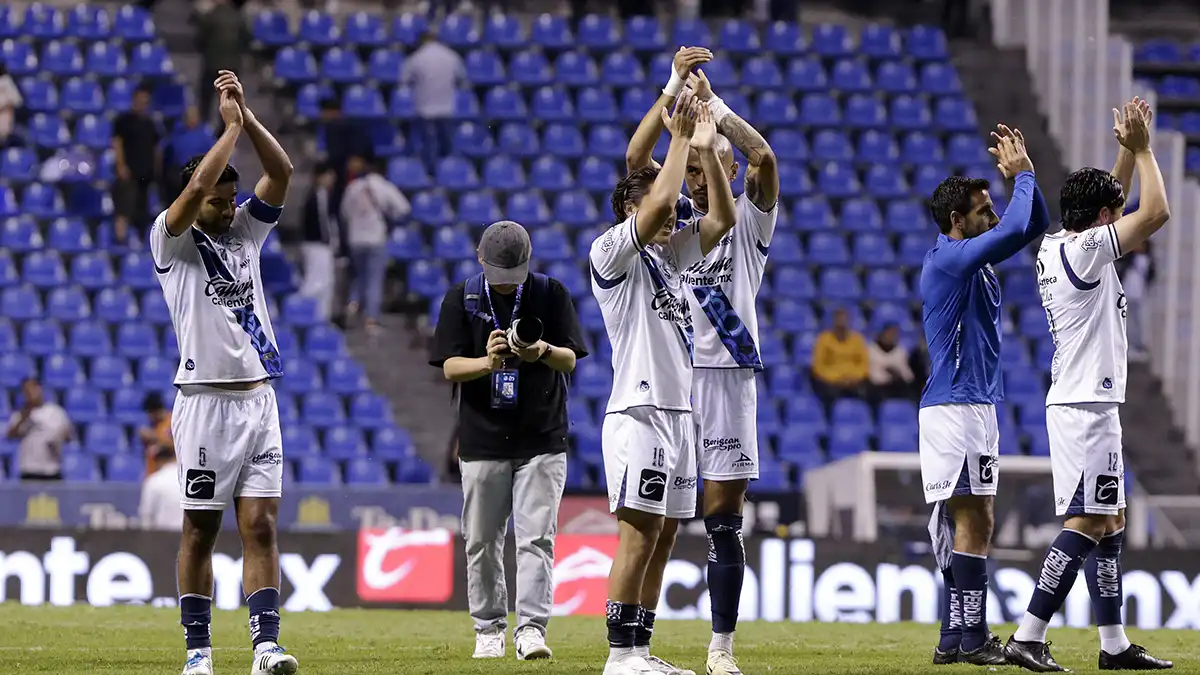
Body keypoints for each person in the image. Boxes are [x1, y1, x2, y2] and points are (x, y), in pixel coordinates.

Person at [1004, 98, 1173, 672]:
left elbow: (1117, 203)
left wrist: (1124, 154)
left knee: (1111, 521)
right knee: (1088, 522)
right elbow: (1154, 214)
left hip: (1085, 400)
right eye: (1110, 211)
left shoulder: (1059, 243)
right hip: (1086, 405)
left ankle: (1114, 645)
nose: (1117, 215)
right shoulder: (1087, 248)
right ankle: (1028, 634)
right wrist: (1145, 151)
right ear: (1102, 219)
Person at [625, 51, 779, 675]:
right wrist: (674, 100)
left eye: (704, 163)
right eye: (686, 165)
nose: (691, 173)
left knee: (722, 521)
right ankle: (639, 645)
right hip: (673, 376)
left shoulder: (747, 224)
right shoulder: (672, 228)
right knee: (660, 522)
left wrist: (716, 114)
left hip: (729, 376)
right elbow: (636, 165)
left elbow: (764, 158)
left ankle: (721, 649)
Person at [148, 70, 296, 675]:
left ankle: (264, 648)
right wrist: (227, 129)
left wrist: (249, 118)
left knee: (259, 527)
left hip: (258, 401)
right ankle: (199, 653)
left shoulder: (245, 233)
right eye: (219, 199)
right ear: (192, 199)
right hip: (204, 402)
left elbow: (282, 173)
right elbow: (200, 183)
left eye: (234, 199)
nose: (230, 206)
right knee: (202, 530)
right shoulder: (171, 240)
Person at [591, 93, 735, 675]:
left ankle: (640, 650)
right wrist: (677, 139)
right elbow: (653, 206)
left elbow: (722, 220)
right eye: (662, 207)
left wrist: (710, 156)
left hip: (678, 413)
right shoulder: (610, 252)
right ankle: (619, 656)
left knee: (667, 532)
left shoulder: (672, 257)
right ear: (630, 210)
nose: (673, 216)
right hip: (639, 410)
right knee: (640, 530)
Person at [428, 220, 589, 661]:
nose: (504, 285)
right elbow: (447, 367)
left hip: (542, 434)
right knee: (481, 538)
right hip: (482, 436)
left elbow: (570, 359)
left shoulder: (550, 293)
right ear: (481, 262)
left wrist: (540, 352)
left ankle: (532, 629)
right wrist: (487, 361)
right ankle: (489, 627)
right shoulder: (461, 297)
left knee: (537, 538)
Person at [919, 125, 1049, 667]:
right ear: (957, 221)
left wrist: (1025, 183)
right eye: (982, 211)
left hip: (973, 405)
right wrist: (1023, 177)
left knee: (971, 517)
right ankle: (973, 638)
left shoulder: (977, 259)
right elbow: (1018, 221)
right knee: (976, 518)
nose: (992, 218)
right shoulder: (950, 259)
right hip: (956, 406)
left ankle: (954, 638)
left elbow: (1034, 223)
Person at [341, 155, 410, 332]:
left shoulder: (353, 187)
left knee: (359, 276)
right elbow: (404, 208)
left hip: (355, 239)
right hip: (375, 239)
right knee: (373, 280)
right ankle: (371, 319)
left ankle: (352, 305)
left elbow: (344, 213)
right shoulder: (384, 186)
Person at [400, 29, 466, 173]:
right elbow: (461, 78)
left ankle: (430, 175)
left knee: (429, 146)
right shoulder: (451, 56)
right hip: (446, 108)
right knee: (446, 147)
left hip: (425, 109)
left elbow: (404, 80)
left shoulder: (417, 57)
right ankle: (448, 174)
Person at [113, 84, 163, 244]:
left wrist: (156, 170)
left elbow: (156, 148)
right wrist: (121, 166)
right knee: (124, 207)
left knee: (142, 209)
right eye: (140, 100)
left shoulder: (150, 124)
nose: (143, 103)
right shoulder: (124, 121)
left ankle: (141, 241)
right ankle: (120, 240)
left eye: (145, 101)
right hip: (129, 172)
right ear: (134, 100)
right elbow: (117, 143)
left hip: (146, 174)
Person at [7, 377, 72, 481]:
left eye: (32, 389)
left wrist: (62, 437)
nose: (29, 394)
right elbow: (10, 436)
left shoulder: (56, 412)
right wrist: (23, 418)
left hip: (52, 469)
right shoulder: (20, 414)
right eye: (26, 391)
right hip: (29, 470)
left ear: (39, 389)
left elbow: (68, 436)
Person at [299, 164, 340, 322]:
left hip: (323, 246)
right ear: (320, 176)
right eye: (329, 175)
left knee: (327, 283)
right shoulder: (316, 195)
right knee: (315, 283)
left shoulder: (325, 195)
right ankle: (303, 315)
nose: (332, 179)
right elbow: (322, 223)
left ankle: (322, 318)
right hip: (316, 245)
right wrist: (327, 240)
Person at [811, 308, 870, 406]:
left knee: (868, 391)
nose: (841, 323)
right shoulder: (823, 339)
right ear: (834, 321)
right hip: (831, 381)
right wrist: (837, 379)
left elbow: (864, 364)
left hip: (853, 381)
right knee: (828, 392)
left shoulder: (857, 339)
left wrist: (854, 378)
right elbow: (818, 366)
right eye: (839, 319)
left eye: (844, 319)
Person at [867, 323, 915, 402]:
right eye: (889, 333)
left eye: (894, 334)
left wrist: (897, 373)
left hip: (898, 386)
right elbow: (872, 376)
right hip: (878, 388)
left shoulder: (900, 351)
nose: (891, 336)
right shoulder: (872, 350)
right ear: (882, 334)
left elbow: (908, 376)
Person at [141, 446, 184, 530]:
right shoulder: (189, 480)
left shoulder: (154, 481)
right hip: (188, 536)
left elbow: (146, 516)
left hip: (162, 536)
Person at [139, 391, 175, 477]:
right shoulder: (154, 425)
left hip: (168, 473)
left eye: (149, 412)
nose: (149, 416)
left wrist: (155, 438)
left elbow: (175, 445)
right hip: (153, 473)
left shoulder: (171, 422)